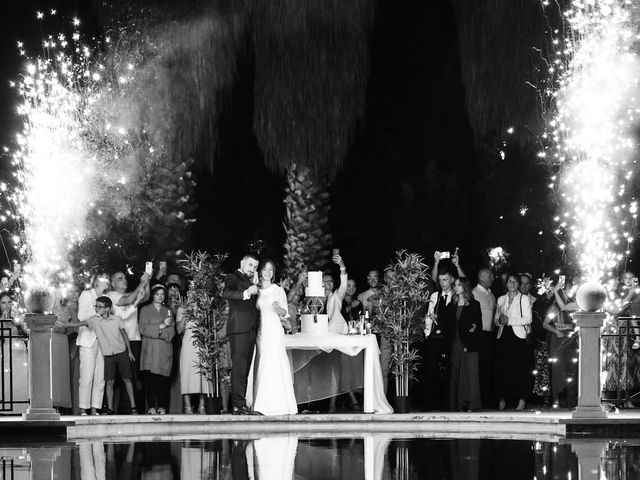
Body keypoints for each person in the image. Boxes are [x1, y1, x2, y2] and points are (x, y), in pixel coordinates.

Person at [58, 296, 138, 414]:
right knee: (109, 381)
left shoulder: (116, 319)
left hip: (121, 353)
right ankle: (109, 408)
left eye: (99, 307)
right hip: (108, 355)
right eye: (96, 306)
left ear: (107, 309)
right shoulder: (94, 320)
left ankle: (133, 406)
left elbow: (124, 334)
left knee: (126, 379)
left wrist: (130, 352)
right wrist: (66, 325)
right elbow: (81, 323)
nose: (97, 309)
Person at [246, 260, 297, 415]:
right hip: (261, 332)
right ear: (260, 271)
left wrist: (278, 308)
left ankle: (279, 404)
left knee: (274, 362)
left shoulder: (278, 290)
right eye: (265, 269)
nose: (267, 272)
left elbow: (285, 314)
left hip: (274, 331)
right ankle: (261, 404)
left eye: (271, 270)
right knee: (261, 363)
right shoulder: (256, 290)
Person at [222, 253, 262, 415]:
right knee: (239, 367)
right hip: (239, 328)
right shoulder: (233, 276)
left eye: (255, 267)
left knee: (244, 368)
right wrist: (247, 292)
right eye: (251, 265)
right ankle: (238, 405)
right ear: (242, 263)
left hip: (250, 328)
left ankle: (242, 404)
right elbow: (226, 293)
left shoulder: (249, 280)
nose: (253, 269)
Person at [106, 270, 149, 413]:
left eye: (125, 278)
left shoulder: (131, 294)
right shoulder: (111, 296)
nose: (124, 280)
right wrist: (142, 283)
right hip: (119, 340)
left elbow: (146, 296)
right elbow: (128, 300)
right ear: (112, 283)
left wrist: (147, 279)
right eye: (120, 278)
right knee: (118, 377)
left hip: (134, 339)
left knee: (131, 375)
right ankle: (115, 408)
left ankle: (129, 408)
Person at [324, 254, 361, 412]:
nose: (327, 283)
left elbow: (344, 284)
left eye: (330, 281)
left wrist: (342, 266)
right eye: (324, 281)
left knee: (339, 372)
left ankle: (337, 404)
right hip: (322, 341)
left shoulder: (337, 297)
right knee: (330, 373)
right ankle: (331, 404)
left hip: (338, 339)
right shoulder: (313, 298)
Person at [494, 274, 532, 411]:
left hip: (518, 336)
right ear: (506, 284)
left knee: (520, 369)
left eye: (515, 282)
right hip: (503, 336)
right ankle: (503, 399)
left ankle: (521, 400)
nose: (512, 284)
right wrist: (499, 320)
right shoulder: (500, 299)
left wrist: (510, 321)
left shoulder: (524, 298)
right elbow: (496, 319)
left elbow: (528, 319)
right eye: (510, 281)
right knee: (503, 368)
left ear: (518, 284)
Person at [77, 273, 110, 415]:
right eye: (104, 278)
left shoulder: (107, 299)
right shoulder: (86, 295)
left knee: (100, 376)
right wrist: (97, 311)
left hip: (102, 341)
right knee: (86, 375)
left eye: (107, 278)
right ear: (96, 281)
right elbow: (81, 317)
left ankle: (95, 407)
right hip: (87, 339)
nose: (107, 281)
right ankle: (83, 408)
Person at [423, 269, 456, 410]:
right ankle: (430, 403)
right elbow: (429, 315)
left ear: (452, 280)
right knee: (431, 370)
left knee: (448, 370)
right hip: (435, 338)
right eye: (441, 280)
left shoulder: (456, 296)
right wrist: (427, 332)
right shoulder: (435, 295)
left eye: (445, 280)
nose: (442, 283)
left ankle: (447, 404)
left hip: (450, 338)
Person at [139, 284, 175, 414]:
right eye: (157, 294)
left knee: (163, 380)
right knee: (151, 380)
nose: (160, 297)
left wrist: (160, 333)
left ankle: (162, 406)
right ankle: (151, 407)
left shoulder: (168, 310)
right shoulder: (145, 310)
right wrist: (161, 326)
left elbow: (171, 332)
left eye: (162, 294)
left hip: (165, 349)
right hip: (150, 349)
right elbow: (143, 329)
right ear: (152, 295)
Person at [448, 278, 481, 411]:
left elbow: (478, 326)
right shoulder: (452, 304)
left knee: (469, 374)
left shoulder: (474, 304)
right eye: (455, 285)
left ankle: (469, 404)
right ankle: (456, 405)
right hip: (455, 342)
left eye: (459, 285)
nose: (456, 287)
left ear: (465, 287)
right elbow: (448, 324)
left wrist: (470, 343)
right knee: (455, 374)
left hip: (468, 343)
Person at [176, 295, 209, 415]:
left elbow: (208, 327)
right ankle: (187, 406)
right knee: (187, 372)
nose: (192, 297)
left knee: (201, 372)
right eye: (190, 294)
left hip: (200, 341)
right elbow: (179, 330)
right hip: (188, 341)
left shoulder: (203, 309)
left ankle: (202, 405)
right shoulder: (182, 309)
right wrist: (185, 313)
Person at [471, 268, 496, 408]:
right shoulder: (475, 293)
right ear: (483, 277)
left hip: (490, 335)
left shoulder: (491, 294)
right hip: (480, 335)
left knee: (488, 368)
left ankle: (488, 399)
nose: (493, 278)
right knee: (480, 368)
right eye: (490, 276)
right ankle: (479, 400)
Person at [0, 293, 28, 413]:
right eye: (3, 302)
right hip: (4, 351)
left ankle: (20, 407)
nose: (7, 305)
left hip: (18, 352)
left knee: (20, 379)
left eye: (9, 302)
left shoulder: (17, 317)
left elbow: (27, 332)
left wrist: (19, 323)